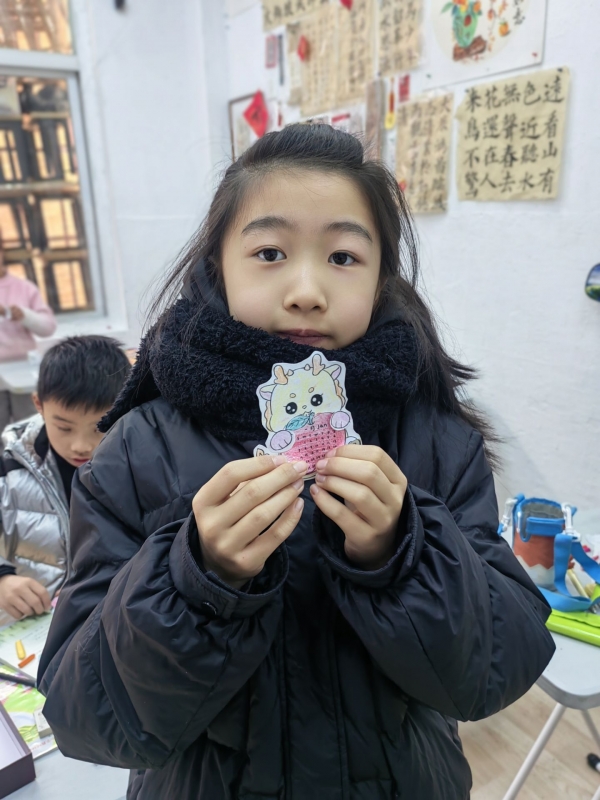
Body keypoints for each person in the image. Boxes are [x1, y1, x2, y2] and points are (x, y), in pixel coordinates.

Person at [38, 125, 555, 800]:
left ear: (381, 277)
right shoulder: (137, 450)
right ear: (218, 267)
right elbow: (82, 713)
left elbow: (499, 668)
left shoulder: (437, 439)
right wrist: (197, 580)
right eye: (270, 252)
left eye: (343, 256)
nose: (306, 290)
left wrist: (403, 554)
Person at [0, 336, 131, 621]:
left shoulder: (138, 464)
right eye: (64, 428)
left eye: (100, 427)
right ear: (39, 404)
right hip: (35, 621)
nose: (80, 446)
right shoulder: (10, 466)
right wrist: (3, 578)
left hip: (111, 620)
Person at [0, 227, 57, 431]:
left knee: (30, 428)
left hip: (23, 371)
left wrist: (24, 315)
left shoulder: (23, 288)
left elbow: (48, 327)